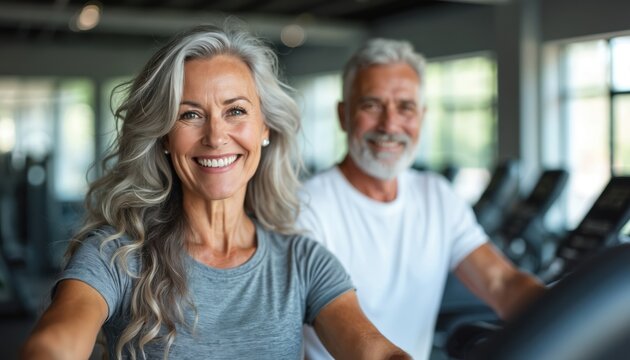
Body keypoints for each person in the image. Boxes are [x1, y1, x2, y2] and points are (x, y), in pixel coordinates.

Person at [20, 24, 411, 360]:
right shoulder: (117, 256)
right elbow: (57, 341)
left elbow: (373, 349)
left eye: (236, 111)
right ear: (165, 138)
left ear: (265, 129)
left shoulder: (303, 262)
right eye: (190, 114)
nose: (216, 136)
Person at [298, 38, 547, 360]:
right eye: (371, 105)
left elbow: (501, 283)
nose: (390, 125)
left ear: (422, 116)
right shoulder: (306, 206)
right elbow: (342, 324)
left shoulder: (436, 195)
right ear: (343, 115)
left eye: (405, 107)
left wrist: (574, 319)